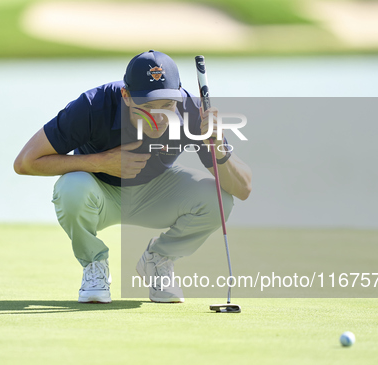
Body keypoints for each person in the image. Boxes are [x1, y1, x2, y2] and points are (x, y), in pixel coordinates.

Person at [14, 50, 252, 304]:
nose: (160, 117)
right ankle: (94, 264)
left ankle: (157, 260)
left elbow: (243, 188)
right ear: (126, 96)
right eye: (147, 106)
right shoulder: (94, 105)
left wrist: (218, 147)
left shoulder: (192, 111)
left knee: (218, 199)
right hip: (98, 192)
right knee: (71, 186)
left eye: (167, 105)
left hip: (156, 194)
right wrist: (102, 162)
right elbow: (25, 162)